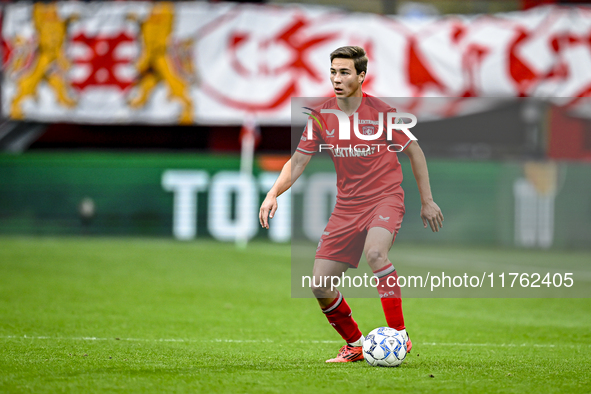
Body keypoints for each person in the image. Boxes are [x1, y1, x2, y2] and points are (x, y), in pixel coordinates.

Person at [259, 46, 444, 363]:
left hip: (385, 197)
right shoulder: (320, 117)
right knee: (319, 284)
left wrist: (427, 201)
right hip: (347, 207)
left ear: (361, 75)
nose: (336, 78)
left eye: (344, 72)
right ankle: (357, 345)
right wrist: (274, 191)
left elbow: (415, 152)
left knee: (375, 253)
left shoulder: (383, 113)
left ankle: (399, 333)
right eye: (333, 71)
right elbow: (298, 161)